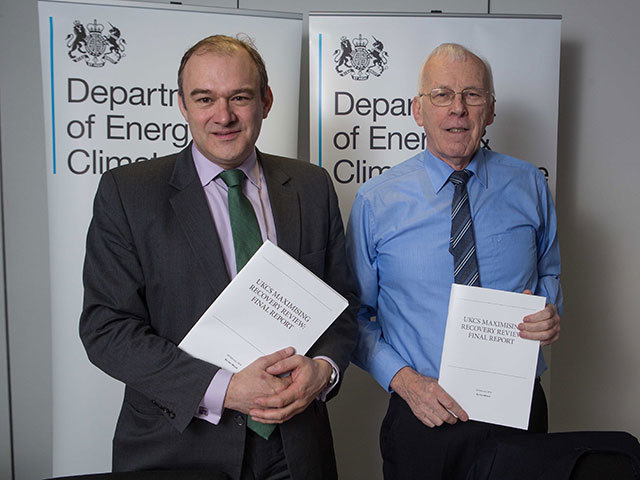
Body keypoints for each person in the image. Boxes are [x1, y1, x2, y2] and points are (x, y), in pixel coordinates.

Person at [80, 35, 357, 480]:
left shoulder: (311, 186)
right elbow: (107, 329)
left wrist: (322, 371)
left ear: (265, 101)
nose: (223, 116)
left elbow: (342, 302)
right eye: (204, 98)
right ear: (182, 105)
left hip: (297, 449)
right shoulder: (127, 193)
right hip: (177, 447)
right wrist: (225, 389)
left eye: (240, 97)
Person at [346, 43, 562, 480]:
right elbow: (352, 315)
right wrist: (406, 382)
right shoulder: (376, 201)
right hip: (423, 414)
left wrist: (548, 313)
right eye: (442, 95)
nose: (458, 109)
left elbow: (549, 272)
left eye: (473, 95)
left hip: (517, 410)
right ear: (418, 110)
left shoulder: (530, 186)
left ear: (492, 109)